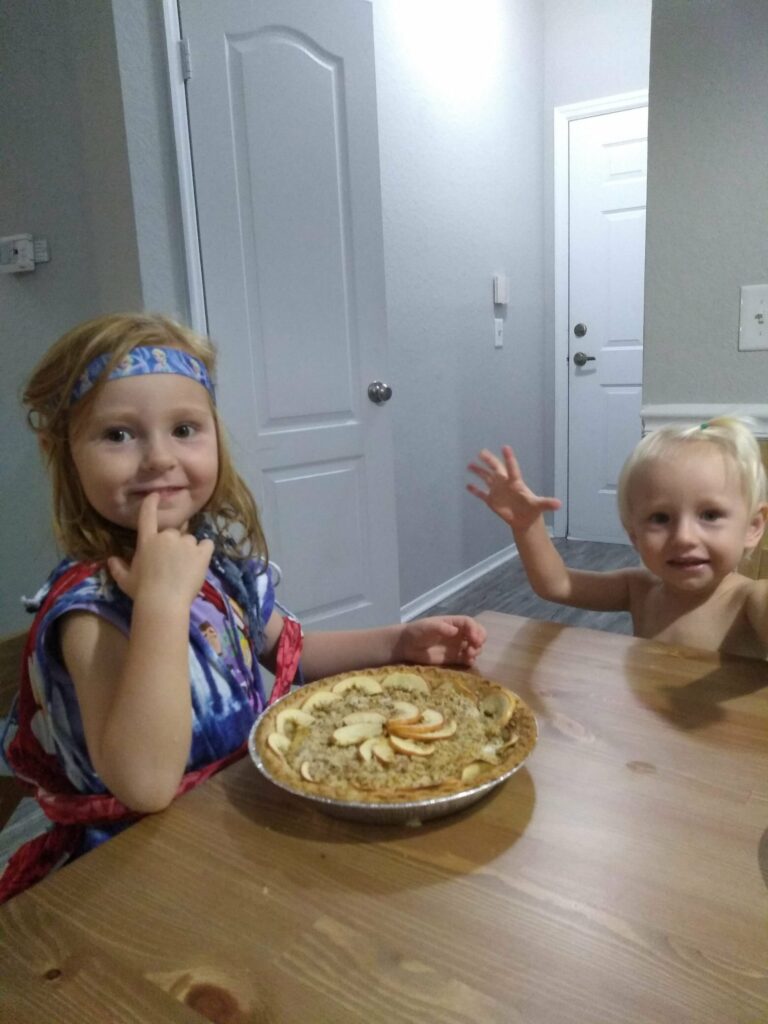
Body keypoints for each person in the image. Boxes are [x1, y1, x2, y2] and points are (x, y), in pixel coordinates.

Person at [0, 313, 485, 901]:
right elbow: (145, 786)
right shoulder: (88, 615)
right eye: (118, 435)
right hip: (144, 877)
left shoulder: (216, 567)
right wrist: (160, 605)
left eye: (184, 429)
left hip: (242, 827)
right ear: (62, 451)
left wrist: (397, 642)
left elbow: (291, 650)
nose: (158, 457)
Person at [467, 417, 768, 659]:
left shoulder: (748, 601)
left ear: (753, 527)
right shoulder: (639, 589)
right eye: (660, 518)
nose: (684, 537)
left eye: (710, 515)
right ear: (634, 535)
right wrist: (528, 526)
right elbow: (556, 584)